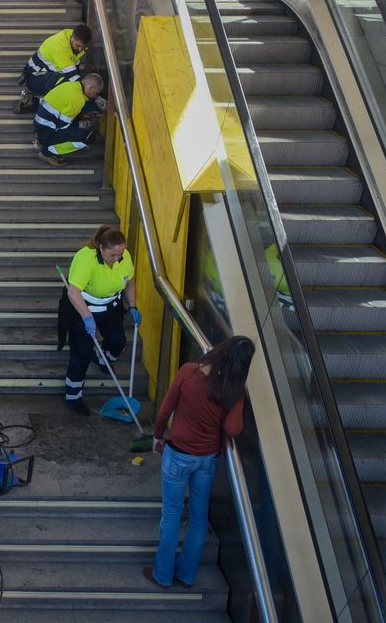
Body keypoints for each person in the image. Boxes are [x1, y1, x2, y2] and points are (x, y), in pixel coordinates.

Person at [145, 335, 255, 589]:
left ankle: (163, 574)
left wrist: (158, 437)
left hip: (178, 453)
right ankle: (187, 574)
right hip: (207, 459)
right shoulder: (233, 389)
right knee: (198, 517)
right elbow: (234, 427)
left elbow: (164, 410)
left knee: (171, 513)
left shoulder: (189, 372)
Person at [58, 224, 138, 415]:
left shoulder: (123, 257)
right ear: (101, 248)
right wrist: (87, 317)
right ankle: (73, 396)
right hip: (82, 307)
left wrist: (133, 305)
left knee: (118, 341)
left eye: (121, 253)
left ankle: (103, 358)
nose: (117, 258)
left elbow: (130, 281)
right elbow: (73, 292)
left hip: (111, 306)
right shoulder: (86, 259)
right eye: (113, 255)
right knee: (82, 354)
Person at [15, 23, 92, 114]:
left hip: (48, 74)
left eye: (83, 47)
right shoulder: (59, 46)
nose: (80, 49)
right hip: (34, 78)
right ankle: (31, 102)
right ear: (72, 38)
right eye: (78, 45)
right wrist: (91, 99)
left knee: (70, 88)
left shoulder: (72, 38)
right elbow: (73, 77)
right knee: (67, 85)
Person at [33, 72, 106, 166]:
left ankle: (41, 138)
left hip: (41, 124)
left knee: (75, 127)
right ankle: (47, 152)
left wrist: (82, 117)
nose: (94, 96)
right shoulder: (78, 99)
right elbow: (63, 126)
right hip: (48, 130)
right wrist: (83, 126)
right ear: (90, 88)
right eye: (96, 93)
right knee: (87, 137)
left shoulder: (70, 85)